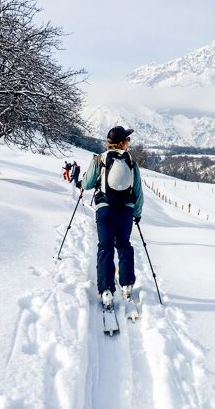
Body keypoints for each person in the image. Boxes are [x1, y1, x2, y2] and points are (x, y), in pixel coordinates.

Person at [79, 126, 143, 309]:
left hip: (104, 208)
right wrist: (137, 214)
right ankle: (127, 285)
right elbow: (138, 191)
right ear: (123, 142)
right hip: (126, 210)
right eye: (128, 140)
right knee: (124, 245)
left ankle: (106, 290)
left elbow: (88, 183)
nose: (129, 142)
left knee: (105, 247)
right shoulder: (131, 161)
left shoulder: (100, 158)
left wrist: (81, 183)